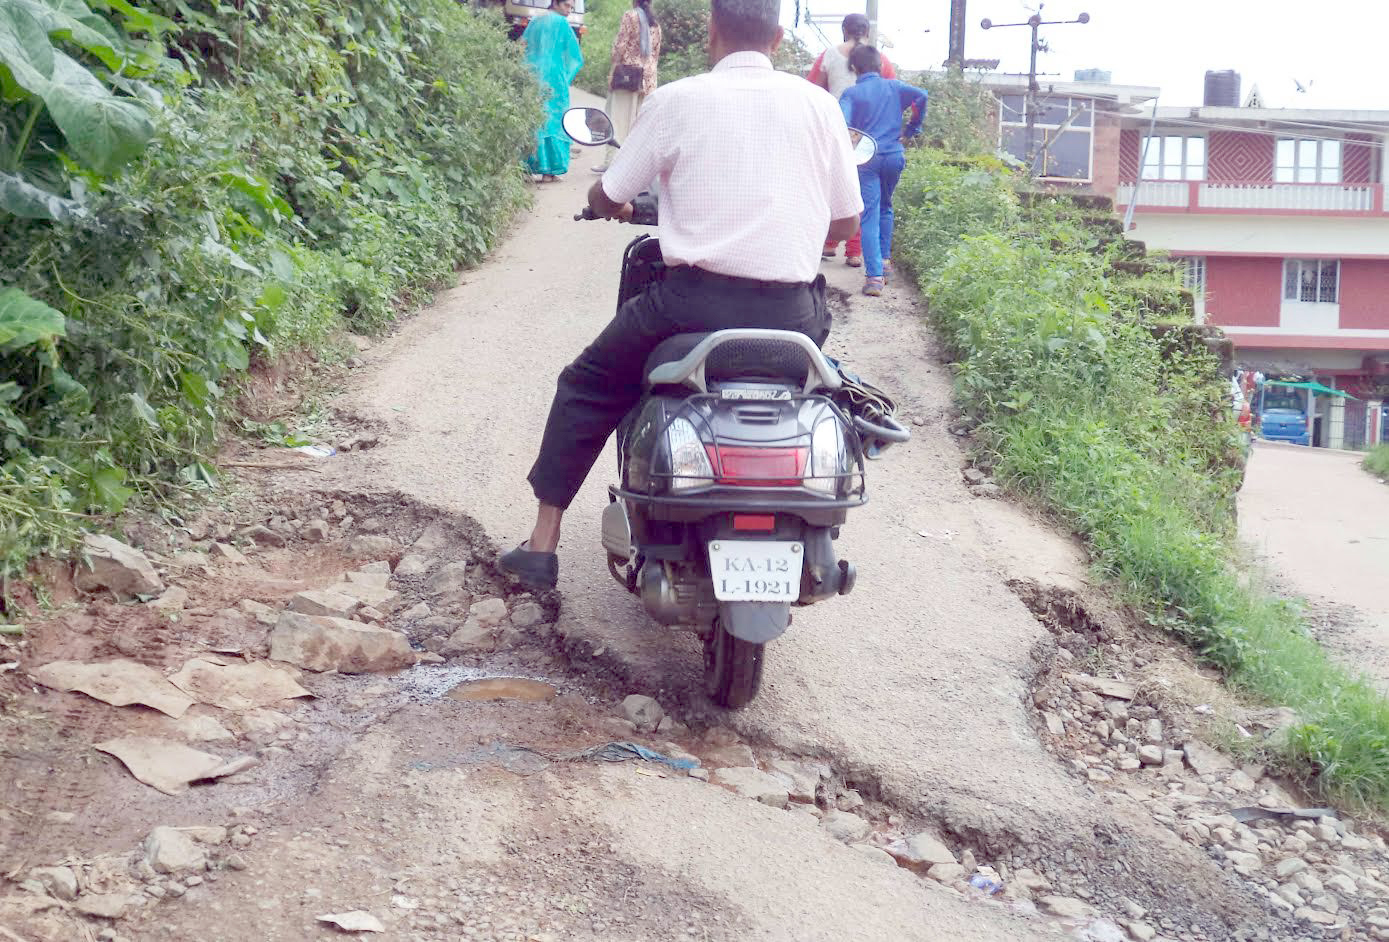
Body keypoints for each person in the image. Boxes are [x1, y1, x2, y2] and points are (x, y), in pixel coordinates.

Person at [500, 0, 863, 590]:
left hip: (690, 307)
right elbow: (846, 223)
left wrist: (605, 203)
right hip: (794, 315)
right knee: (829, 390)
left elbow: (611, 192)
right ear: (777, 38)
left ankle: (542, 545)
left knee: (588, 384)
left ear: (713, 32)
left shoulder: (676, 100)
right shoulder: (819, 105)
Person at [807, 13, 898, 268]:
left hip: (836, 127)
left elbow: (812, 90)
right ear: (867, 32)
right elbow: (890, 93)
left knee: (830, 184)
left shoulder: (828, 56)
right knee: (859, 189)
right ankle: (854, 251)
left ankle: (829, 242)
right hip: (869, 135)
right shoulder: (880, 59)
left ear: (844, 30)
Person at [838, 44, 926, 297]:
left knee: (869, 215)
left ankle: (874, 277)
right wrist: (912, 129)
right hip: (894, 156)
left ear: (853, 67)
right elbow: (922, 95)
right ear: (880, 65)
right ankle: (885, 262)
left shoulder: (851, 94)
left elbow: (841, 123)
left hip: (867, 159)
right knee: (886, 206)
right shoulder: (895, 87)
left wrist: (853, 142)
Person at [593, 0, 663, 174]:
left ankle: (613, 163)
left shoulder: (630, 16)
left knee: (617, 120)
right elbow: (655, 53)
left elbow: (621, 46)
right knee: (639, 124)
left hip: (627, 76)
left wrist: (612, 71)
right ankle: (635, 166)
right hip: (647, 79)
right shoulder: (656, 24)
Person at [521, 0, 584, 182]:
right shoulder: (562, 23)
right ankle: (549, 171)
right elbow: (575, 56)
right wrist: (566, 77)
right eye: (566, 5)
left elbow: (522, 47)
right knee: (554, 120)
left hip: (532, 74)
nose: (568, 10)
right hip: (554, 78)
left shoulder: (535, 20)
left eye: (571, 7)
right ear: (555, 3)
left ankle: (527, 167)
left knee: (534, 117)